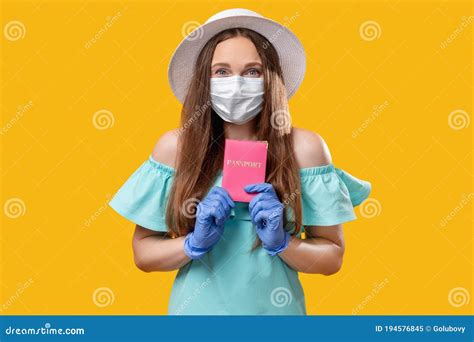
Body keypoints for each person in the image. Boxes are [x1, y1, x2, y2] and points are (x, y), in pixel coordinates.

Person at [109, 8, 372, 315]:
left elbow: (332, 258)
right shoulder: (175, 148)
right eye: (221, 71)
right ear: (204, 81)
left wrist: (282, 243)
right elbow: (143, 253)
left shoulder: (305, 149)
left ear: (271, 78)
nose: (236, 84)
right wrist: (193, 244)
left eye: (252, 71)